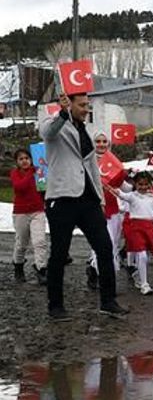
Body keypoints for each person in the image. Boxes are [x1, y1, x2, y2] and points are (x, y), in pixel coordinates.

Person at [39, 93, 129, 321]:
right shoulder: (55, 124)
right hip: (62, 198)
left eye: (87, 105)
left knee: (105, 248)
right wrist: (61, 112)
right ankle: (55, 305)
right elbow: (47, 133)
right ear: (70, 105)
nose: (86, 109)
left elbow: (91, 167)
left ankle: (108, 301)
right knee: (59, 254)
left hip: (88, 200)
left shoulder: (87, 131)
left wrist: (99, 199)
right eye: (81, 105)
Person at [108, 171, 153, 296]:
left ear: (150, 184)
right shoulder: (132, 196)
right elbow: (121, 195)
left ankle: (139, 275)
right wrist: (110, 187)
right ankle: (144, 284)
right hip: (136, 228)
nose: (143, 187)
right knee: (142, 255)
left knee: (146, 256)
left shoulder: (152, 199)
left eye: (146, 184)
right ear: (135, 184)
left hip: (149, 228)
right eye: (140, 184)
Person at [86, 131, 127, 290]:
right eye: (98, 141)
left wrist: (134, 181)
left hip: (112, 209)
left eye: (104, 141)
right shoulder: (87, 161)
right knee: (100, 243)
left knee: (112, 243)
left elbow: (124, 188)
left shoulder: (114, 163)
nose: (101, 144)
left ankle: (98, 271)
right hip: (94, 208)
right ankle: (97, 272)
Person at [10, 148, 48, 285]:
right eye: (21, 159)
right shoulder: (15, 173)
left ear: (31, 159)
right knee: (21, 244)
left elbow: (45, 187)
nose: (24, 161)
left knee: (40, 242)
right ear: (17, 162)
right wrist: (31, 173)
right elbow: (19, 187)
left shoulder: (39, 171)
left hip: (37, 211)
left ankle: (41, 269)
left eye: (27, 158)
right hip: (20, 213)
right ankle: (18, 266)